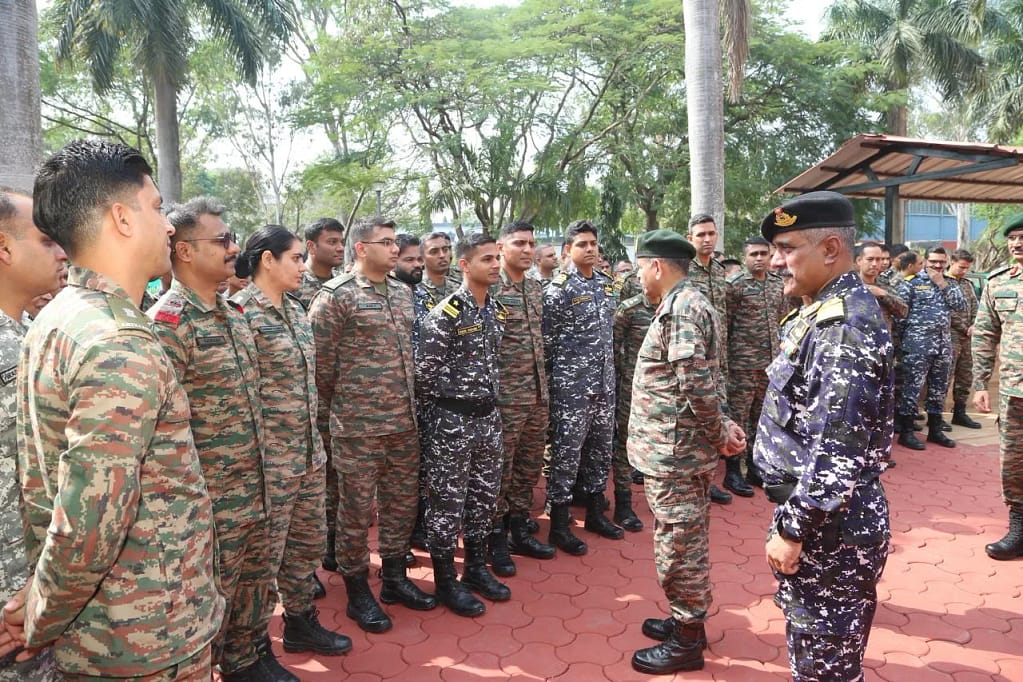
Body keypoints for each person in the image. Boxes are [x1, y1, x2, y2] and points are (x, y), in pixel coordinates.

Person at [14, 140, 224, 678]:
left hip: (115, 631)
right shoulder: (116, 341)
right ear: (122, 218)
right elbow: (90, 524)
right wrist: (38, 618)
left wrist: (42, 600)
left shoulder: (60, 316)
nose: (168, 226)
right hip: (144, 639)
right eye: (156, 208)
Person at [755, 191, 892, 682]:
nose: (775, 262)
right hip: (824, 520)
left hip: (828, 527)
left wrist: (793, 529)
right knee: (814, 654)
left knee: (825, 667)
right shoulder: (821, 310)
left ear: (831, 248)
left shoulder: (844, 325)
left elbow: (837, 451)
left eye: (786, 248)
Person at [148, 197, 283, 681]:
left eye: (231, 238)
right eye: (221, 240)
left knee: (254, 584)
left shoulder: (231, 313)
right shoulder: (169, 323)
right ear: (184, 251)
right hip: (211, 499)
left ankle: (248, 657)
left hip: (255, 484)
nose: (233, 248)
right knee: (213, 594)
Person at [308, 217, 436, 633]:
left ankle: (395, 577)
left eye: (396, 242)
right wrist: (346, 408)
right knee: (356, 511)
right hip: (357, 427)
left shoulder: (402, 293)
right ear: (361, 249)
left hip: (404, 422)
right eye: (386, 242)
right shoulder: (336, 297)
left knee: (401, 505)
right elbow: (321, 368)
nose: (395, 249)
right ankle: (357, 586)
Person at [230, 226, 353, 659]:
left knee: (306, 547)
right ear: (267, 260)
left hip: (307, 457)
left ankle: (300, 624)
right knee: (261, 563)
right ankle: (251, 648)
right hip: (269, 466)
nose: (304, 266)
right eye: (296, 258)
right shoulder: (240, 315)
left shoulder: (298, 311)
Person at [627, 230, 745, 674]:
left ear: (657, 266)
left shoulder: (680, 310)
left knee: (679, 544)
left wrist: (719, 432)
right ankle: (683, 620)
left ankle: (688, 639)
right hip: (675, 450)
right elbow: (708, 377)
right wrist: (725, 425)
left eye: (641, 267)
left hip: (675, 453)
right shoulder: (690, 303)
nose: (639, 276)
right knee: (683, 535)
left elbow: (695, 383)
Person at [417, 233, 508, 616]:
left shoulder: (496, 310)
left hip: (488, 418)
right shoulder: (446, 313)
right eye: (486, 259)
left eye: (496, 258)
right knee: (447, 504)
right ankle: (445, 581)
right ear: (464, 265)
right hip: (452, 421)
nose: (495, 265)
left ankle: (474, 568)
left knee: (484, 498)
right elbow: (423, 375)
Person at [0, 187, 67, 681]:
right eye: (46, 240)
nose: (63, 252)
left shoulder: (25, 337)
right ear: (4, 248)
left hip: (32, 592)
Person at [544, 220, 623, 555]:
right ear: (567, 251)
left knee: (600, 450)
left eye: (593, 243)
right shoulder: (558, 290)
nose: (590, 249)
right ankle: (560, 524)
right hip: (571, 386)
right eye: (582, 244)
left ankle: (594, 512)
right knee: (566, 453)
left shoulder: (606, 286)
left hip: (604, 383)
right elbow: (547, 342)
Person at [488, 222, 556, 575]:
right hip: (504, 398)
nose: (528, 250)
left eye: (531, 243)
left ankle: (519, 529)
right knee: (500, 471)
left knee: (528, 469)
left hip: (536, 394)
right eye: (519, 243)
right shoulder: (489, 286)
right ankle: (494, 538)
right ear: (502, 247)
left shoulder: (534, 288)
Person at [972, 213, 1023, 560]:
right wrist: (979, 383)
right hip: (1014, 392)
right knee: (1014, 463)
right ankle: (1018, 528)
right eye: (1013, 238)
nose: (1017, 244)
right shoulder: (998, 282)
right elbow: (984, 334)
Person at [725, 236, 789, 492]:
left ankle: (754, 467)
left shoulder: (777, 284)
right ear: (745, 257)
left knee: (762, 417)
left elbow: (782, 319)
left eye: (764, 253)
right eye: (754, 254)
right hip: (742, 364)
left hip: (769, 364)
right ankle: (732, 472)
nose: (760, 258)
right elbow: (725, 324)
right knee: (739, 417)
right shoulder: (735, 286)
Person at [895, 246, 965, 450]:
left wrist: (942, 284)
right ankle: (906, 432)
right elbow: (900, 315)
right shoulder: (913, 283)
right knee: (912, 389)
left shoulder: (950, 284)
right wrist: (904, 344)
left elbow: (961, 306)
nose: (937, 266)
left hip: (943, 346)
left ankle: (935, 430)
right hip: (917, 345)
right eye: (933, 261)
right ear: (926, 261)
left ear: (947, 262)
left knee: (939, 389)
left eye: (941, 262)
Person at [687, 214, 734, 505]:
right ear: (690, 237)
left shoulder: (718, 271)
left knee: (717, 413)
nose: (707, 239)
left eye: (711, 234)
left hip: (720, 358)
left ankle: (710, 477)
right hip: (696, 360)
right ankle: (692, 478)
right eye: (701, 234)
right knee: (694, 418)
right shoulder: (684, 271)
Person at [612, 279, 662, 532]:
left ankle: (659, 499)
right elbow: (613, 348)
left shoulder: (673, 308)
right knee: (625, 444)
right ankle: (623, 503)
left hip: (664, 392)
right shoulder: (628, 309)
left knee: (659, 444)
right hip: (632, 389)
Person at [947, 250, 982, 429]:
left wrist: (975, 325)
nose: (964, 271)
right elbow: (947, 311)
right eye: (961, 267)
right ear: (951, 261)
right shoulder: (942, 283)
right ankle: (935, 415)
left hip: (967, 337)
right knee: (945, 376)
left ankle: (959, 412)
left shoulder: (967, 284)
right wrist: (964, 327)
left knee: (965, 375)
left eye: (967, 268)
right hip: (950, 336)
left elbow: (976, 306)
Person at [855, 242, 907, 331]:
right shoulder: (849, 284)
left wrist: (883, 294)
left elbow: (903, 312)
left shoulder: (884, 283)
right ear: (859, 261)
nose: (874, 264)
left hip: (883, 339)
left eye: (878, 259)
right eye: (870, 259)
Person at [296, 218, 345, 309]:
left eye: (342, 242)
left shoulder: (343, 282)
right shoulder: (294, 282)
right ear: (311, 246)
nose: (341, 248)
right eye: (332, 242)